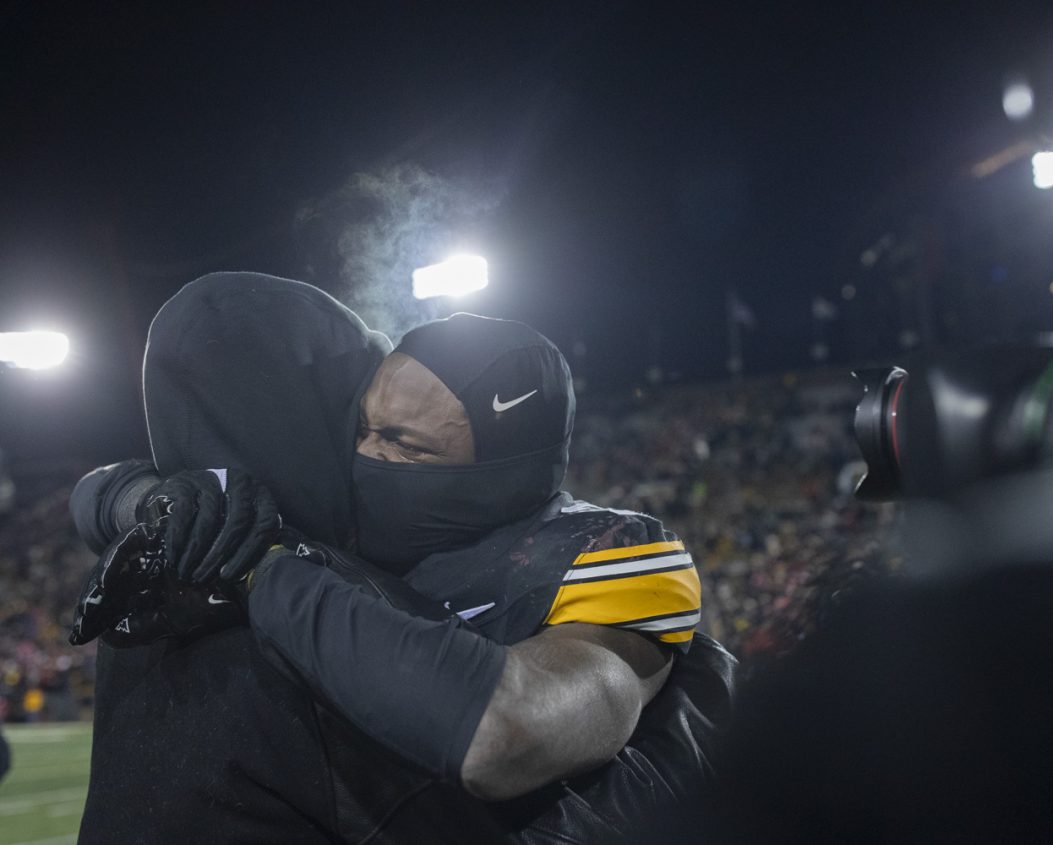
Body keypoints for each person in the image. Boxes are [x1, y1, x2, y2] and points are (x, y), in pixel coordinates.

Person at [73, 273, 735, 841]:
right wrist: (142, 497)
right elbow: (108, 486)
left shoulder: (607, 549)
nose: (370, 457)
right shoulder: (353, 524)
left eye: (404, 443)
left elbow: (513, 730)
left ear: (504, 470)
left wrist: (263, 567)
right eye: (361, 429)